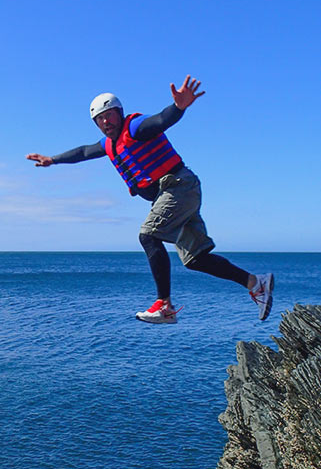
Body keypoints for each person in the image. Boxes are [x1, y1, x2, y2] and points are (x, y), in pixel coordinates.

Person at [26, 75, 274, 324]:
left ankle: (164, 305)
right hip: (176, 194)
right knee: (195, 259)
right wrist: (53, 159)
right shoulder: (110, 144)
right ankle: (255, 282)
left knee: (148, 235)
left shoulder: (135, 128)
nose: (105, 121)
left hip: (178, 186)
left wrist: (178, 107)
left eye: (109, 114)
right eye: (99, 119)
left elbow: (160, 120)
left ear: (119, 113)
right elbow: (83, 152)